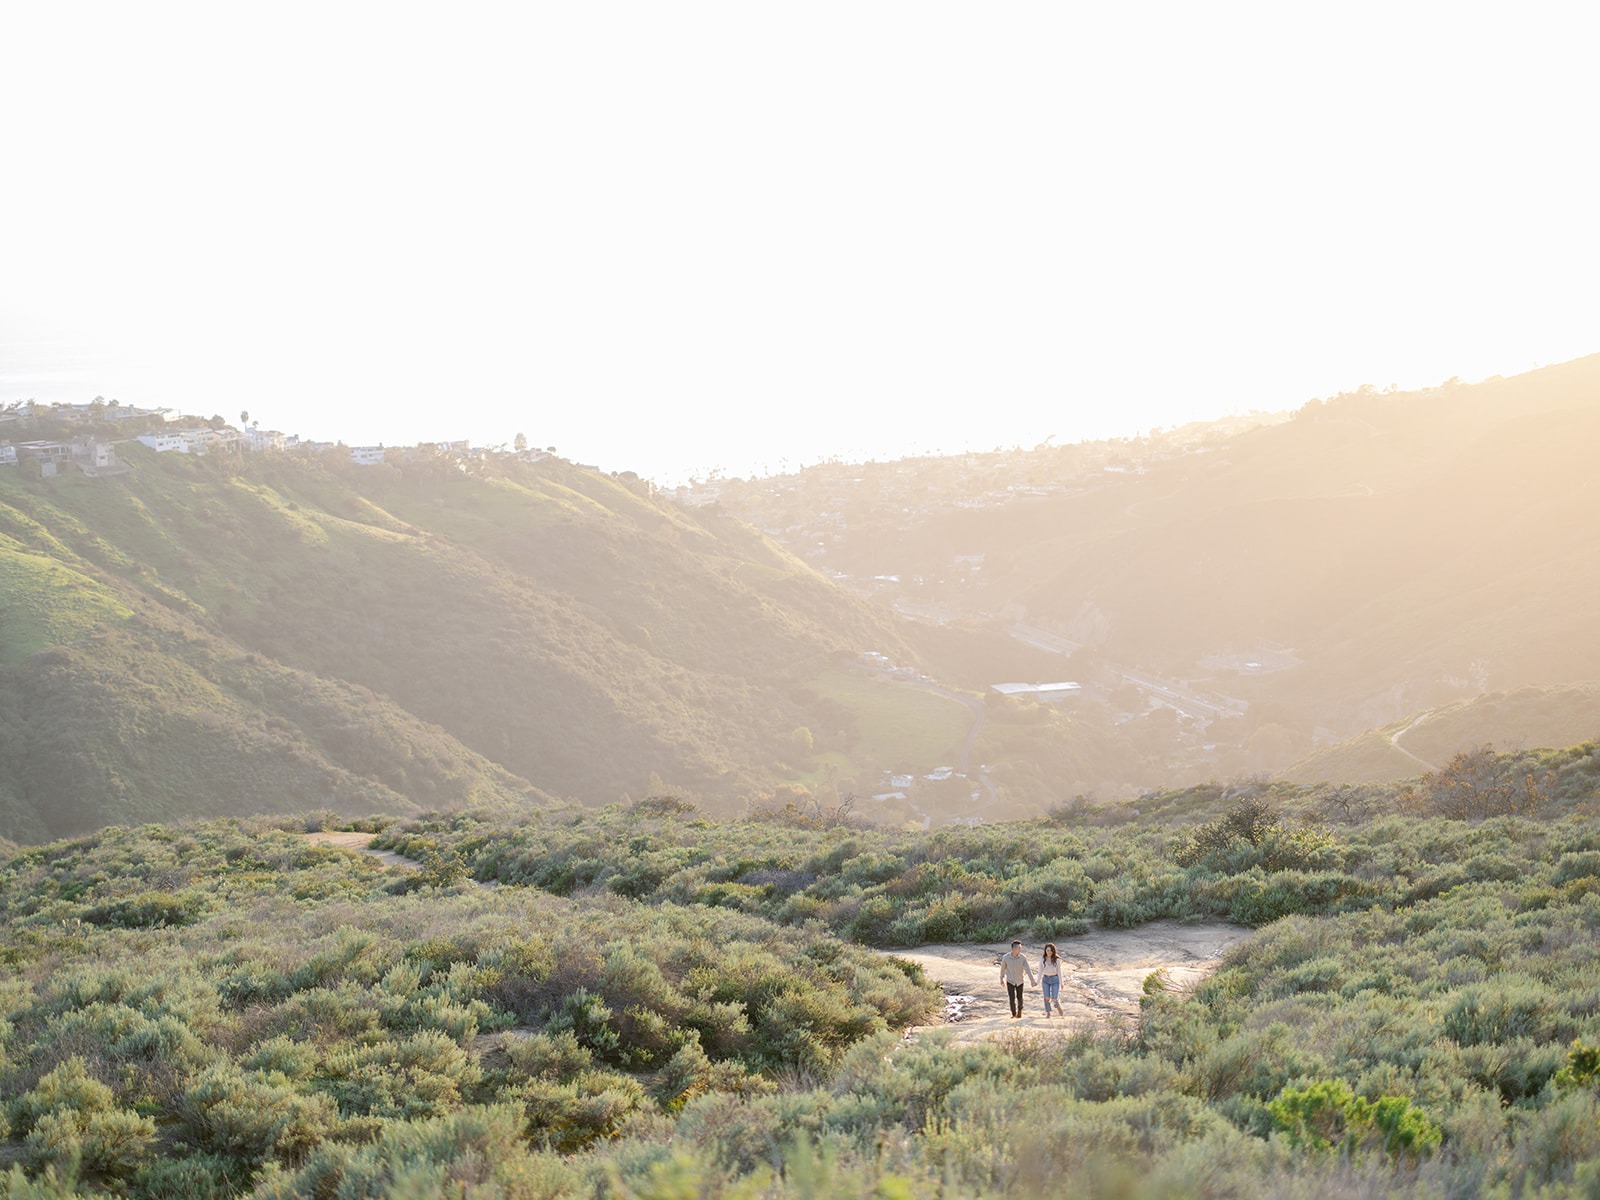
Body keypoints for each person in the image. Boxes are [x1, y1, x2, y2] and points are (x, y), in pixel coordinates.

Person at [1000, 939, 1036, 1018]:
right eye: (1018, 948)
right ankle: (1013, 1014)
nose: (1020, 950)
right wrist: (1001, 979)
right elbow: (1002, 969)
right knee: (1011, 998)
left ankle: (1020, 1010)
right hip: (1010, 980)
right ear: (1013, 949)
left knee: (1020, 997)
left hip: (1020, 981)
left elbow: (1028, 970)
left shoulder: (1023, 958)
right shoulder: (1005, 957)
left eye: (1020, 948)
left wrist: (1032, 980)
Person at [1039, 942, 1063, 1016]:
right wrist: (1037, 981)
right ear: (1045, 951)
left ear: (1053, 951)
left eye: (1050, 950)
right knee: (1046, 997)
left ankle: (1058, 1007)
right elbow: (1040, 971)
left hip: (1055, 979)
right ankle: (1048, 1012)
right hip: (1045, 979)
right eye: (1047, 950)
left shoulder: (1057, 960)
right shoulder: (1042, 959)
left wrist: (1062, 983)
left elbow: (1059, 972)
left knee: (1054, 998)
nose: (1049, 952)